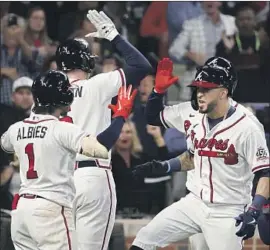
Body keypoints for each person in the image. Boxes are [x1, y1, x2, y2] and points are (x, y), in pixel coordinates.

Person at [130, 57, 270, 250]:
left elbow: (264, 173)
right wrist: (158, 91)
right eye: (198, 88)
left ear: (223, 92)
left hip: (227, 210)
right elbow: (156, 119)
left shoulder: (248, 126)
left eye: (206, 89)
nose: (199, 94)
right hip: (194, 202)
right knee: (144, 240)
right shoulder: (191, 113)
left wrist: (254, 210)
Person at [0, 70, 137, 250]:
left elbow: (5, 144)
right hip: (50, 210)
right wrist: (120, 117)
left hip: (21, 212)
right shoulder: (61, 129)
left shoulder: (16, 128)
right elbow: (101, 149)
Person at [55, 9, 152, 250]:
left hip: (58, 180)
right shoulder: (96, 85)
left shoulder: (46, 92)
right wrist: (113, 37)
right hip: (92, 174)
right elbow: (142, 65)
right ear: (87, 60)